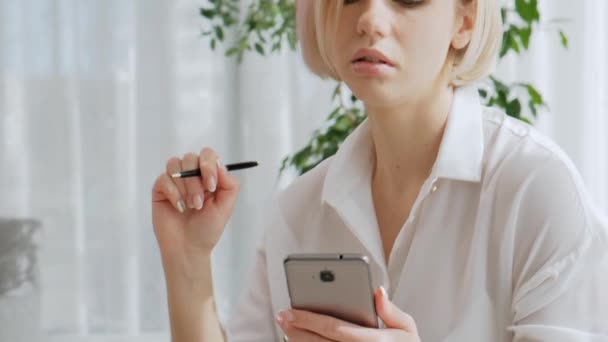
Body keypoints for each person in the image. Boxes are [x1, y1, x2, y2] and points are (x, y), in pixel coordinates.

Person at [151, 0, 608, 341]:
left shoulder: (536, 189)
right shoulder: (299, 208)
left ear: (464, 21)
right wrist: (188, 259)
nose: (368, 17)